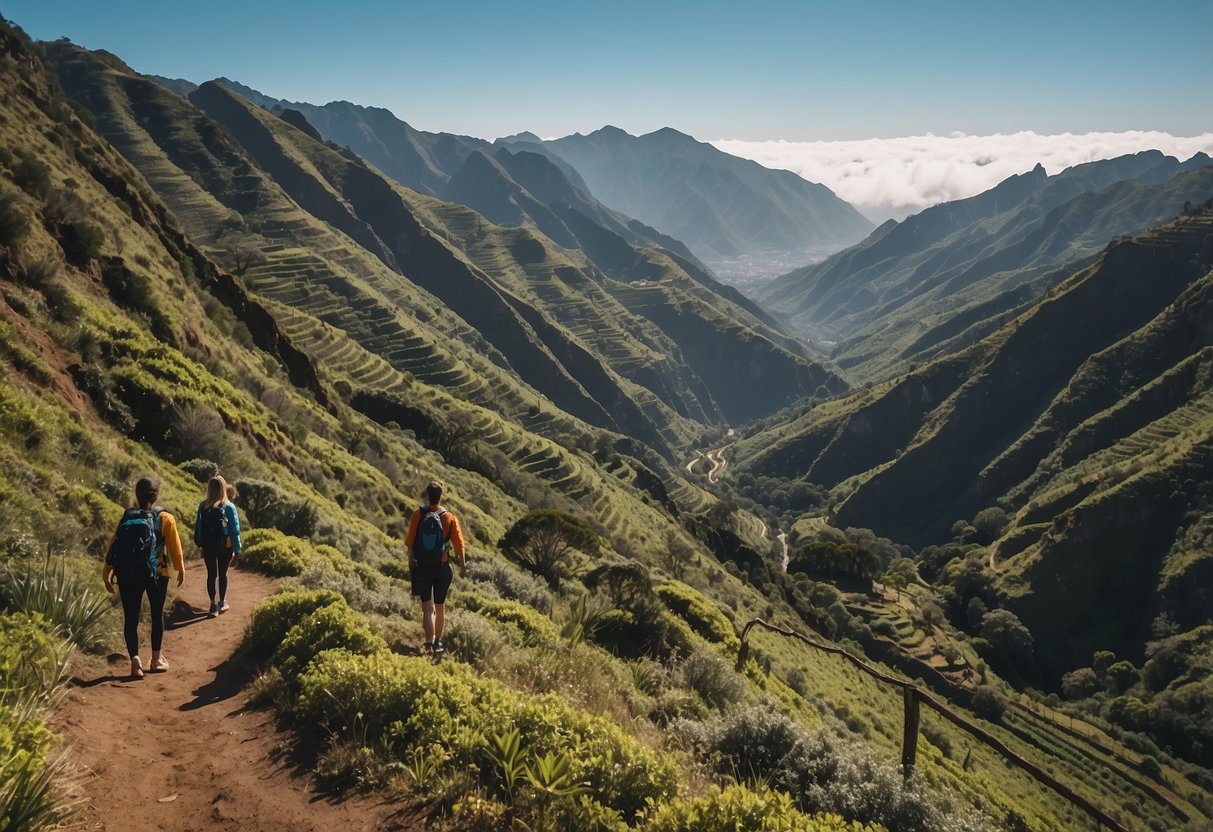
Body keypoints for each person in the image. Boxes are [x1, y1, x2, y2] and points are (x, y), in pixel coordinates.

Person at [102, 476, 185, 679]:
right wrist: (181, 569)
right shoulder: (166, 518)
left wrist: (107, 573)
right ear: (156, 495)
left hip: (127, 573)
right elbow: (175, 549)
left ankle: (135, 660)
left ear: (136, 495)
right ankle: (156, 660)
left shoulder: (128, 516)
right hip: (157, 574)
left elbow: (114, 545)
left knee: (131, 618)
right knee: (157, 615)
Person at [405, 480, 466, 654]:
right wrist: (462, 565)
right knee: (439, 606)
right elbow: (459, 544)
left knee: (427, 607)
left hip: (422, 567)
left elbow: (410, 543)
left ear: (427, 495)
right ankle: (438, 643)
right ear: (441, 496)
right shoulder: (449, 517)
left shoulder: (418, 514)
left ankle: (427, 642)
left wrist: (411, 564)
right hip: (442, 568)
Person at [193, 475, 241, 618]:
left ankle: (212, 605)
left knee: (211, 575)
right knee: (223, 573)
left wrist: (199, 542)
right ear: (223, 489)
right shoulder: (229, 507)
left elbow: (198, 526)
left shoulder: (203, 506)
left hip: (208, 545)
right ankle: (222, 602)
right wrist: (237, 549)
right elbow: (234, 529)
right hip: (225, 545)